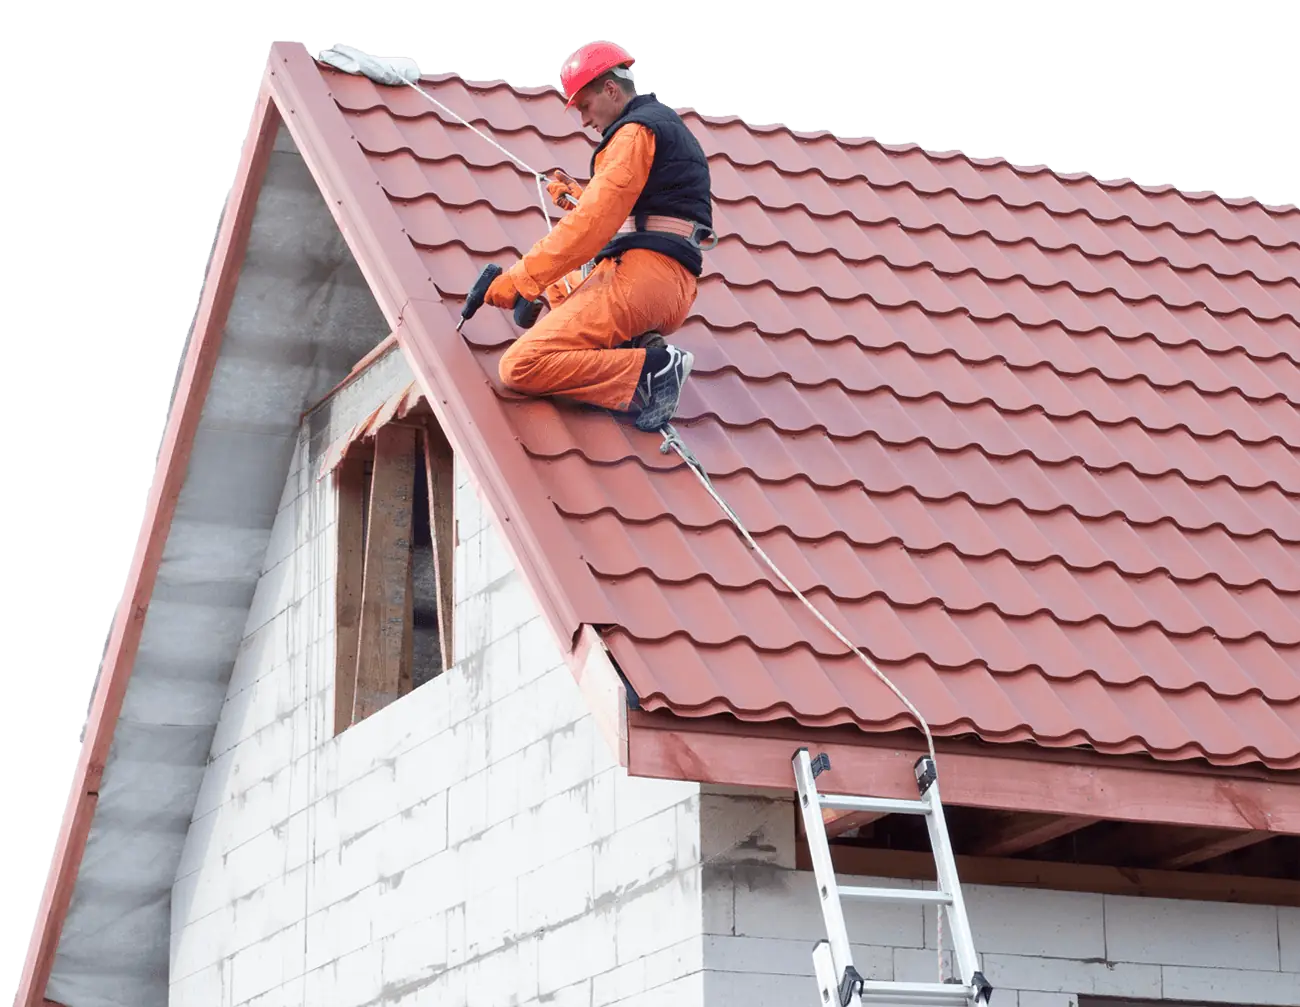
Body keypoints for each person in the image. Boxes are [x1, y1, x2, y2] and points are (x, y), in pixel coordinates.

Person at [483, 41, 716, 432]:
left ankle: (653, 369)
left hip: (642, 280)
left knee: (521, 365)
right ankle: (633, 343)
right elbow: (642, 212)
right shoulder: (661, 127)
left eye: (585, 106)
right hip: (665, 286)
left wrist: (519, 280)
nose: (585, 120)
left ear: (610, 89)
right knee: (565, 286)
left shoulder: (635, 133)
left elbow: (593, 227)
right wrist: (580, 197)